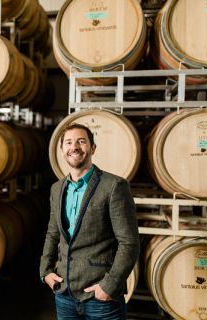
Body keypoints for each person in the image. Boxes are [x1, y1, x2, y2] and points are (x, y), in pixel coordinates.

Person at [39, 123, 140, 320]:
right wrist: (45, 272)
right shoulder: (57, 188)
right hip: (64, 293)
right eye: (68, 142)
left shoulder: (114, 186)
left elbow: (129, 242)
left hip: (100, 297)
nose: (74, 147)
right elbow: (53, 233)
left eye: (81, 141)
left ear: (92, 148)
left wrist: (108, 286)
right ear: (62, 150)